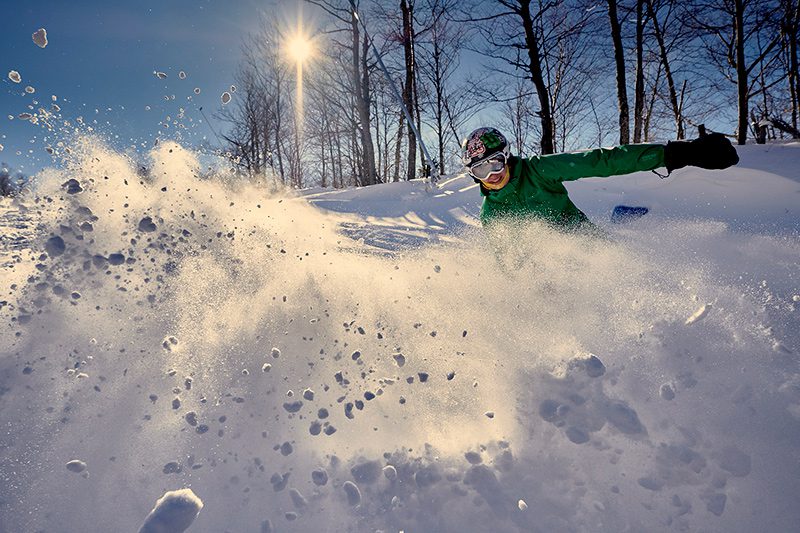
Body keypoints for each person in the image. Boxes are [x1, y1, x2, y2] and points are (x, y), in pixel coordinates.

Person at [462, 127, 739, 229]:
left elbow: (602, 161)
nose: (492, 176)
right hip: (550, 274)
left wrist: (673, 154)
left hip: (585, 239)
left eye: (495, 164)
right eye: (481, 171)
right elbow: (509, 262)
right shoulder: (492, 213)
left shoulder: (539, 170)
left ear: (507, 156)